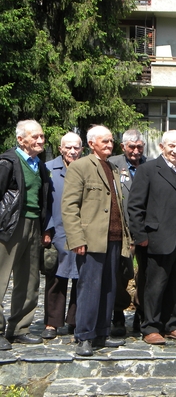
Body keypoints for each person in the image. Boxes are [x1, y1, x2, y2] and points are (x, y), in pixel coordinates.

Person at [62, 125, 131, 356]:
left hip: (114, 238)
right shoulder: (80, 166)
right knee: (89, 288)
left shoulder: (113, 167)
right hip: (91, 240)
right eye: (105, 141)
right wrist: (76, 239)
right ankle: (84, 336)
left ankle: (102, 332)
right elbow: (69, 207)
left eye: (111, 141)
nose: (110, 145)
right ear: (91, 144)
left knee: (109, 288)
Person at [128, 130, 176, 345]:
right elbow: (135, 206)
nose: (175, 150)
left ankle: (171, 324)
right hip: (156, 238)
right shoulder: (147, 170)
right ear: (162, 147)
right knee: (154, 285)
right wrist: (140, 235)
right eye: (171, 146)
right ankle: (151, 327)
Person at [0, 120, 49, 350]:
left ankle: (19, 328)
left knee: (29, 280)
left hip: (34, 224)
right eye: (35, 136)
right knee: (1, 279)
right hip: (10, 225)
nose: (40, 140)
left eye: (42, 136)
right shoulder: (7, 162)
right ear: (21, 140)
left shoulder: (39, 164)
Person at [41, 132, 83, 340]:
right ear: (60, 149)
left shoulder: (86, 168)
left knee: (80, 277)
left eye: (76, 148)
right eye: (68, 147)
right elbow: (43, 202)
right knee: (56, 277)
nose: (72, 151)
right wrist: (46, 229)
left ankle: (74, 320)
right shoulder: (48, 169)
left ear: (82, 149)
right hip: (57, 230)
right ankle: (52, 322)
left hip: (81, 232)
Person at [108, 129, 149, 336]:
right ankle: (118, 314)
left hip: (145, 230)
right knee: (120, 274)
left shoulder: (150, 165)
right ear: (123, 146)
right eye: (131, 147)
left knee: (145, 275)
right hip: (121, 229)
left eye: (139, 147)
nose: (136, 151)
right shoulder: (112, 164)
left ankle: (141, 313)